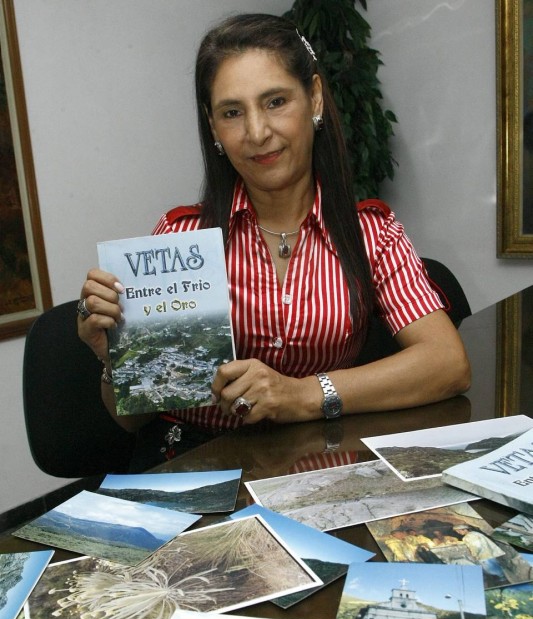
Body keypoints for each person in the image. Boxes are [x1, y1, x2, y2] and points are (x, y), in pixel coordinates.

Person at [77, 13, 471, 469]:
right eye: (232, 112)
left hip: (318, 465)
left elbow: (448, 364)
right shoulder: (182, 240)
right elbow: (132, 422)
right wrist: (115, 362)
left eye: (276, 101)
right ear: (213, 128)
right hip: (199, 467)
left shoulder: (370, 233)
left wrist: (301, 394)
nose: (257, 133)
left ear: (315, 99)